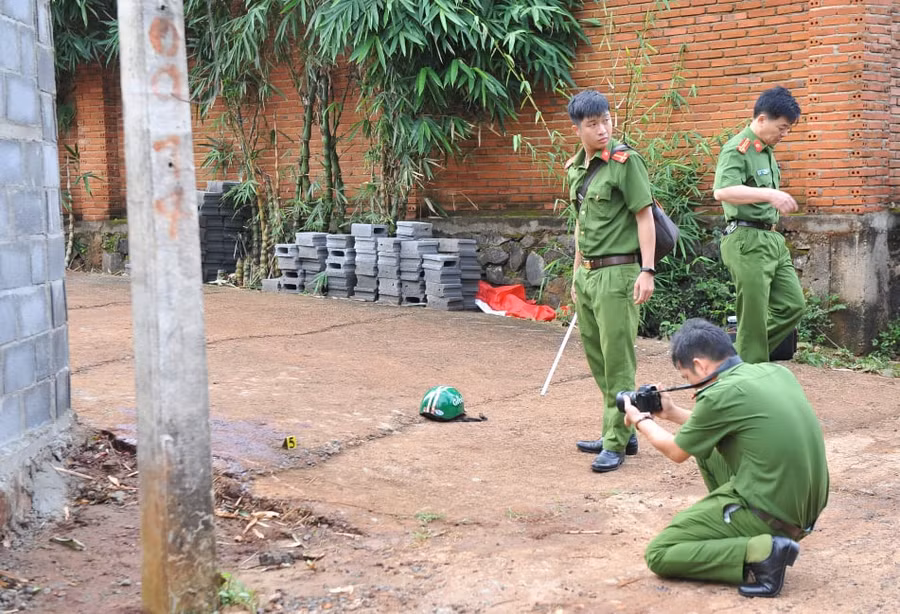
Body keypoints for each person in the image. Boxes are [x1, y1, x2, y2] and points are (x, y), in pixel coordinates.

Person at [620, 318, 829, 597]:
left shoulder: (719, 394)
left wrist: (639, 419)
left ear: (700, 365)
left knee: (660, 553)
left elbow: (675, 451)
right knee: (704, 449)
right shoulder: (775, 372)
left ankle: (762, 550)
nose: (690, 385)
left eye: (687, 378)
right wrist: (671, 413)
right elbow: (720, 424)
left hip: (775, 514)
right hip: (803, 510)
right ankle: (740, 527)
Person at [564, 89, 656, 473]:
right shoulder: (575, 168)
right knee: (599, 360)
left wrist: (647, 270)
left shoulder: (625, 162)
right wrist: (575, 274)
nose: (603, 129)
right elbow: (581, 226)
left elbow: (644, 216)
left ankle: (615, 442)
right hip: (588, 275)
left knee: (617, 361)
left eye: (606, 120)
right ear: (578, 129)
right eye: (593, 124)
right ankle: (623, 427)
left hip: (619, 274)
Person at [713, 85, 806, 363]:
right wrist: (770, 194)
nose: (784, 134)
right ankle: (747, 371)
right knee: (753, 319)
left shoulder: (765, 151)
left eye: (788, 129)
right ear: (762, 119)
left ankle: (734, 359)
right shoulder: (737, 149)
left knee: (793, 305)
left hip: (771, 239)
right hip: (746, 239)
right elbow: (722, 191)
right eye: (782, 127)